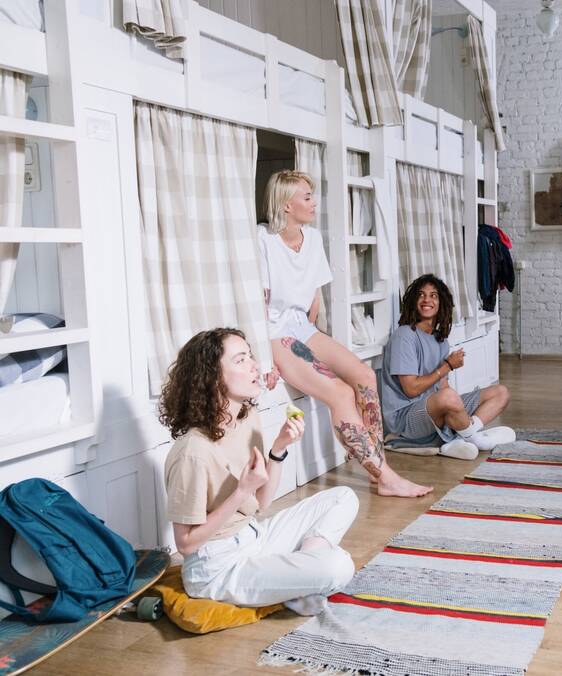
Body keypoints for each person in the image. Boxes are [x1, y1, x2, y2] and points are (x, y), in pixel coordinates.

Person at [160, 328, 359, 616]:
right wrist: (241, 491)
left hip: (254, 537)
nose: (254, 365)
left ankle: (297, 582)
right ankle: (299, 579)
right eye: (240, 360)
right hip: (216, 567)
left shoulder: (246, 418)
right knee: (338, 565)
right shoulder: (192, 452)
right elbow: (186, 544)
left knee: (343, 497)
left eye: (250, 356)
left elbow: (261, 502)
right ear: (212, 377)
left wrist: (279, 448)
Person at [258, 170, 431, 497]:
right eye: (306, 197)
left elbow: (313, 297)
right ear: (286, 205)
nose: (314, 202)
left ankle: (378, 468)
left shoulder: (312, 238)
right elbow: (259, 304)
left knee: (365, 376)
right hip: (274, 332)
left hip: (302, 326)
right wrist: (267, 359)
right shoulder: (263, 240)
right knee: (339, 393)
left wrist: (312, 341)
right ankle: (387, 478)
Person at [381, 274, 515, 459]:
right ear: (413, 301)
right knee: (449, 398)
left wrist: (457, 410)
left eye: (433, 295)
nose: (426, 299)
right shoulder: (404, 336)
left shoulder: (440, 341)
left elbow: (443, 386)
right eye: (421, 295)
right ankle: (475, 439)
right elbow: (411, 389)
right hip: (405, 419)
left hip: (434, 408)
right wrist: (447, 366)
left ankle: (463, 435)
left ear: (441, 303)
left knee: (500, 393)